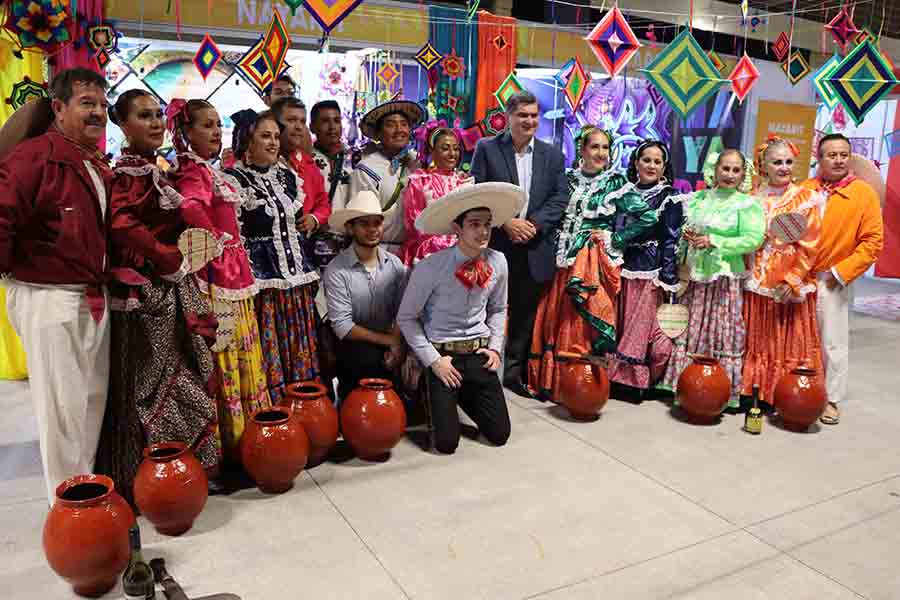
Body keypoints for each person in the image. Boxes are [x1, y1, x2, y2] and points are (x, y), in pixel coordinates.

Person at [95, 90, 219, 505]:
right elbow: (123, 224)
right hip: (146, 290)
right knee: (150, 383)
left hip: (166, 286)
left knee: (176, 372)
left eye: (158, 116)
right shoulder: (130, 173)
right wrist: (166, 256)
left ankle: (173, 473)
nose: (154, 123)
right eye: (144, 116)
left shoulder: (151, 169)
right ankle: (148, 478)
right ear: (122, 124)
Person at [0, 68, 112, 505]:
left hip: (89, 294)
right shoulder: (33, 158)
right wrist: (19, 274)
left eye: (103, 104)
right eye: (87, 103)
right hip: (50, 296)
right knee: (62, 412)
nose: (98, 112)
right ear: (59, 108)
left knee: (88, 404)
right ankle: (70, 512)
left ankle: (87, 499)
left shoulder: (93, 161)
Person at [167, 98, 270, 463]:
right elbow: (189, 206)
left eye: (218, 124)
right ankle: (231, 446)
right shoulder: (192, 172)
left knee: (238, 350)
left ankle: (244, 441)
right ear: (186, 132)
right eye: (207, 125)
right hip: (216, 278)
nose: (216, 132)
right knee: (225, 352)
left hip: (231, 273)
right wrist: (215, 238)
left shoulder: (208, 170)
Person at [529, 127, 657, 402]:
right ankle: (553, 384)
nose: (601, 153)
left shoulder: (615, 183)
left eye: (605, 148)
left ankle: (582, 387)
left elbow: (648, 217)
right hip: (561, 259)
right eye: (595, 147)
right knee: (556, 318)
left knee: (582, 321)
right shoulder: (567, 179)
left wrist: (616, 238)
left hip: (590, 263)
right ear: (582, 150)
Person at [397, 182, 523, 454]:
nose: (483, 231)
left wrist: (495, 348)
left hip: (478, 354)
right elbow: (406, 318)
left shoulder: (498, 261)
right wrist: (433, 361)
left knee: (499, 434)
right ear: (457, 228)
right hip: (443, 357)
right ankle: (428, 392)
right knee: (446, 444)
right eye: (474, 224)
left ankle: (463, 394)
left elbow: (499, 309)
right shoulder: (431, 266)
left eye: (487, 224)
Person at [470, 90, 569, 399]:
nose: (529, 121)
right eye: (522, 115)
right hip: (496, 244)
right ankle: (478, 373)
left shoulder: (552, 154)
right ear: (508, 116)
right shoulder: (487, 149)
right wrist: (506, 221)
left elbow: (560, 197)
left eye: (534, 115)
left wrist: (534, 225)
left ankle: (513, 374)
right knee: (483, 310)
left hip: (534, 246)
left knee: (524, 314)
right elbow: (479, 192)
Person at [226, 110, 320, 404]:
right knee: (269, 351)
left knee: (299, 347)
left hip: (297, 281)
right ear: (246, 141)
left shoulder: (289, 177)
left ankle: (305, 410)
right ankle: (276, 416)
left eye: (276, 137)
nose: (273, 143)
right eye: (265, 136)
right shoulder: (232, 180)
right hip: (263, 285)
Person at [660, 150, 765, 409]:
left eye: (735, 170)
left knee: (722, 329)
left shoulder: (747, 204)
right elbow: (686, 230)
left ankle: (717, 390)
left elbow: (753, 239)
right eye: (725, 168)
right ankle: (684, 385)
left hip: (724, 278)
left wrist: (715, 240)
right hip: (695, 276)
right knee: (692, 327)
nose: (729, 175)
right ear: (715, 169)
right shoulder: (698, 199)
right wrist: (689, 236)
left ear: (743, 174)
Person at [802, 134, 884, 425]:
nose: (838, 160)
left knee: (832, 342)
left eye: (843, 155)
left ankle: (831, 399)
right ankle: (797, 393)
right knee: (798, 339)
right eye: (831, 155)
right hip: (799, 276)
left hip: (832, 279)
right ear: (820, 159)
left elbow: (873, 241)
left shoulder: (863, 194)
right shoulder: (805, 189)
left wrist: (842, 273)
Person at [740, 136, 825, 408]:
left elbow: (811, 244)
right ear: (763, 165)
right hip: (756, 280)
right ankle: (755, 391)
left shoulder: (805, 198)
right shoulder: (752, 198)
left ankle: (787, 394)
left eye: (788, 162)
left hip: (787, 281)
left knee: (785, 341)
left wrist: (793, 279)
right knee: (758, 338)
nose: (784, 167)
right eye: (777, 162)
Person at [607, 140, 684, 395]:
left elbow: (671, 239)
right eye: (646, 160)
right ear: (636, 163)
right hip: (622, 267)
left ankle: (634, 382)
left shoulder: (669, 196)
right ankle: (614, 376)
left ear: (664, 168)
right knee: (621, 323)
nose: (651, 165)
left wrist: (668, 278)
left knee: (640, 330)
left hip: (649, 271)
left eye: (657, 161)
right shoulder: (624, 192)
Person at [324, 191, 408, 400]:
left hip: (389, 339)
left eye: (377, 223)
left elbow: (403, 311)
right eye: (364, 224)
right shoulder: (337, 269)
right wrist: (389, 341)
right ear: (351, 228)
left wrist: (397, 343)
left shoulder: (395, 264)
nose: (373, 230)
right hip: (354, 346)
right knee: (362, 358)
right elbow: (343, 326)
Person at [349, 100, 425, 255]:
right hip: (378, 250)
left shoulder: (419, 162)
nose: (399, 130)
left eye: (404, 124)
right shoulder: (366, 169)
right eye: (390, 125)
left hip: (414, 252)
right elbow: (360, 218)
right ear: (378, 134)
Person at [400, 126, 472, 265]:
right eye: (445, 148)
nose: (452, 154)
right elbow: (414, 225)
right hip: (428, 254)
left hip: (464, 254)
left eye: (456, 148)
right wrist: (446, 243)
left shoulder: (464, 182)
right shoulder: (420, 181)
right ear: (432, 152)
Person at [311, 99, 353, 212]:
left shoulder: (352, 161)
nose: (332, 127)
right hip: (317, 227)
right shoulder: (306, 162)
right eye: (325, 121)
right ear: (312, 127)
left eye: (337, 120)